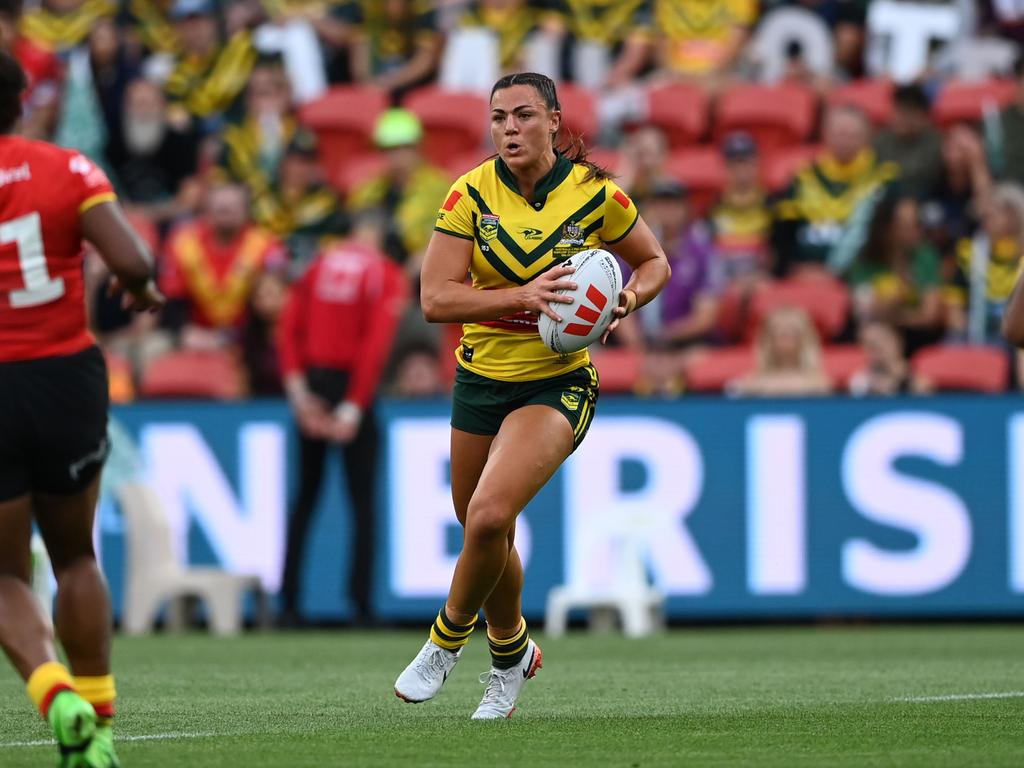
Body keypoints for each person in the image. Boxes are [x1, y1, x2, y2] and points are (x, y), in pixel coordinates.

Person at [392, 71, 670, 719]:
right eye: (498, 118)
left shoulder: (596, 195)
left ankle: (445, 639)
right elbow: (435, 299)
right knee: (485, 533)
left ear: (553, 120)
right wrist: (522, 296)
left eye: (522, 115)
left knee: (488, 516)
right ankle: (512, 650)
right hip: (480, 379)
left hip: (558, 380)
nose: (509, 129)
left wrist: (627, 298)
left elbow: (654, 262)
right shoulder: (470, 194)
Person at [0, 51, 164, 767]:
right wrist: (143, 291)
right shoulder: (69, 169)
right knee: (75, 554)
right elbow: (130, 260)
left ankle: (54, 695)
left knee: (4, 573)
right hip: (67, 374)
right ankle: (97, 728)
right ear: (23, 99)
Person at [277, 212, 408, 627]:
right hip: (353, 385)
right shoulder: (385, 273)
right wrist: (353, 406)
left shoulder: (318, 265)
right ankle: (361, 605)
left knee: (304, 500)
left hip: (314, 380)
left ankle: (289, 604)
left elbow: (287, 329)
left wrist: (300, 396)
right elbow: (375, 344)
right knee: (362, 502)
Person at [728, 306, 832, 397]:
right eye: (777, 331)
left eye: (793, 331)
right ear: (766, 339)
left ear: (805, 339)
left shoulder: (820, 385)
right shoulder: (748, 384)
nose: (785, 335)